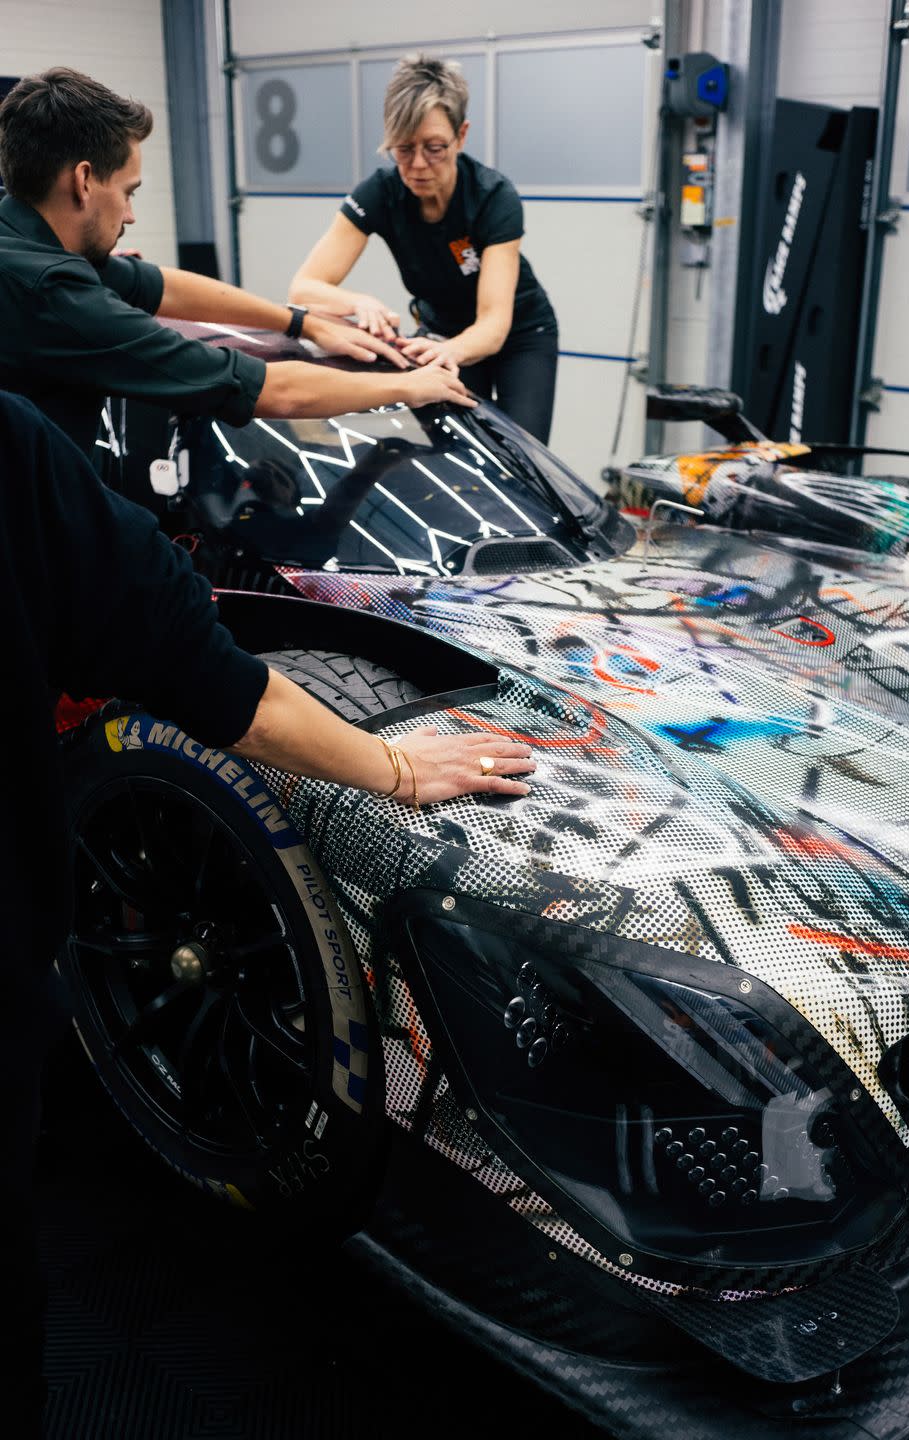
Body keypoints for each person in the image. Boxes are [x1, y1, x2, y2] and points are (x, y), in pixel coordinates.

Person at [0, 390, 534, 1435]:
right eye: (119, 204)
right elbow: (205, 674)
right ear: (76, 206)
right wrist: (388, 764)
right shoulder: (20, 434)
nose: (129, 209)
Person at [0, 67, 473, 460]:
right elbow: (270, 390)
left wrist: (301, 322)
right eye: (128, 192)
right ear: (84, 180)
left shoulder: (27, 238)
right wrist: (408, 387)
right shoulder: (51, 292)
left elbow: (163, 287)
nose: (130, 215)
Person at [288, 54, 559, 444]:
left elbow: (493, 326)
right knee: (452, 444)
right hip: (440, 330)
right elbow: (304, 287)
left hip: (519, 332)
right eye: (403, 148)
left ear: (461, 136)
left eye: (434, 148)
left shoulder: (493, 197)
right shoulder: (380, 193)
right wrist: (356, 302)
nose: (417, 165)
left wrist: (451, 351)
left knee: (522, 450)